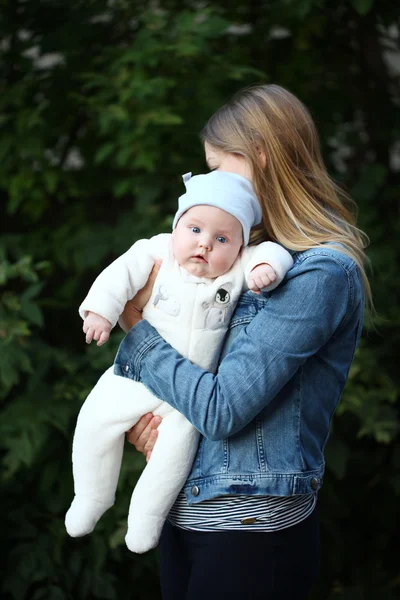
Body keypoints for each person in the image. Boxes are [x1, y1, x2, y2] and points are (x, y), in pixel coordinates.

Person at [117, 84, 372, 600]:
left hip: (251, 531)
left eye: (219, 167)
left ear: (259, 155)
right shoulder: (228, 258)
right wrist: (153, 428)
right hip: (186, 510)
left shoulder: (317, 272)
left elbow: (223, 408)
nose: (211, 183)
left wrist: (136, 328)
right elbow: (193, 377)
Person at [65, 169, 294, 553]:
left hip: (188, 395)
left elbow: (275, 252)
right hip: (135, 375)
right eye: (194, 230)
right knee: (92, 423)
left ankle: (145, 519)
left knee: (171, 461)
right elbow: (118, 276)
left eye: (221, 238)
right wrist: (102, 312)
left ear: (238, 246)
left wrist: (266, 269)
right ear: (177, 227)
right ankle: (91, 496)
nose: (204, 245)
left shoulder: (239, 267)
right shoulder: (157, 251)